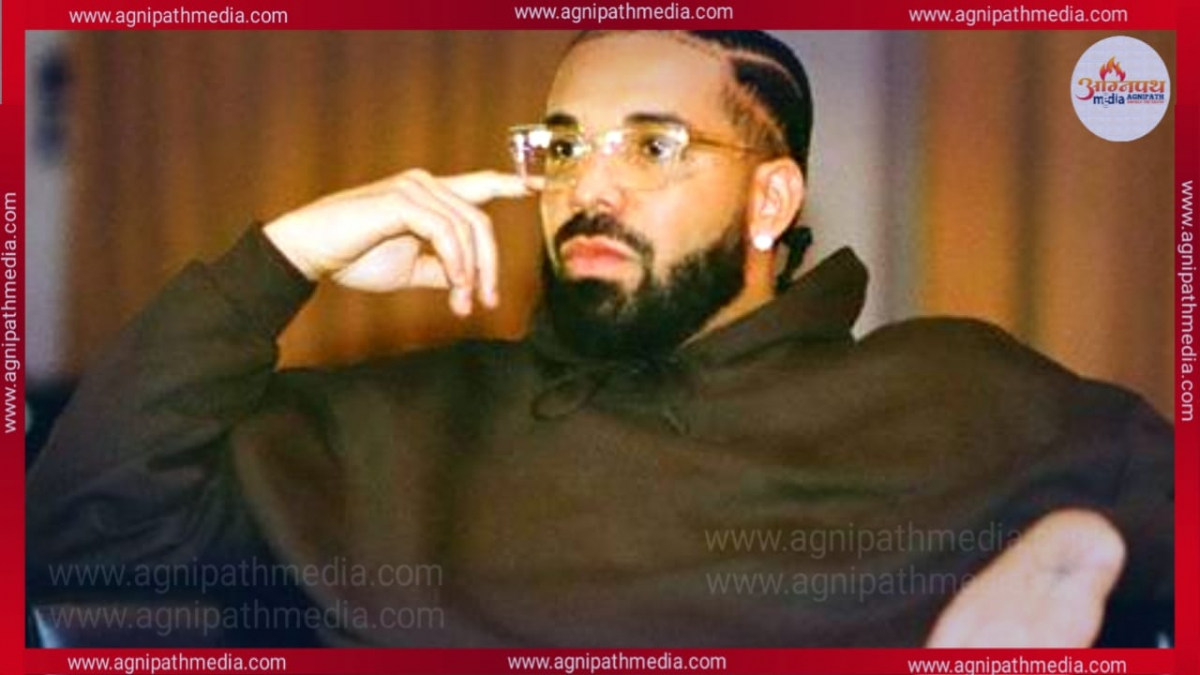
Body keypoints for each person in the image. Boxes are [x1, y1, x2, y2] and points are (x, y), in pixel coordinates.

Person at [27, 30, 1172, 647]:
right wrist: (280, 259)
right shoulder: (390, 423)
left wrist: (1089, 565)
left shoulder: (951, 394)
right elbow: (77, 545)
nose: (589, 187)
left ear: (771, 200)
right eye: (564, 147)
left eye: (653, 147)